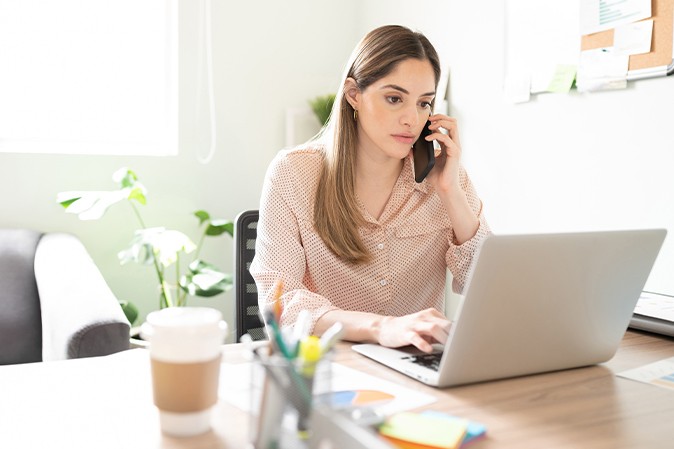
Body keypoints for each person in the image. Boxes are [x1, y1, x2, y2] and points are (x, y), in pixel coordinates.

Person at [250, 24, 491, 353]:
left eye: (424, 103)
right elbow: (281, 302)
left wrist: (451, 193)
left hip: (416, 365)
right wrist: (382, 327)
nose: (411, 118)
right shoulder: (293, 174)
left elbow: (489, 290)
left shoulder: (447, 178)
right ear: (353, 95)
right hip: (330, 365)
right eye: (394, 99)